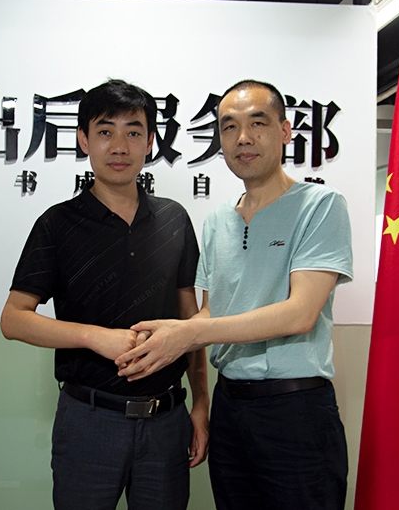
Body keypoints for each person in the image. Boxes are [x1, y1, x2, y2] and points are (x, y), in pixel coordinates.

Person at [115, 79, 353, 510]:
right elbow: (213, 313)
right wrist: (164, 336)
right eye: (229, 127)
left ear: (285, 131)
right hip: (230, 409)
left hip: (295, 410)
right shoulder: (217, 221)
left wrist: (188, 334)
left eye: (257, 123)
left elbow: (300, 314)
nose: (243, 138)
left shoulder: (321, 205)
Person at [0, 79, 209, 510]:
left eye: (133, 132)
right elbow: (14, 318)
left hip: (167, 420)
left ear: (150, 142)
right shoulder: (57, 224)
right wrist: (95, 336)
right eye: (105, 131)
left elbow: (191, 322)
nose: (119, 146)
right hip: (89, 421)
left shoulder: (174, 220)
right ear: (84, 139)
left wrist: (202, 404)